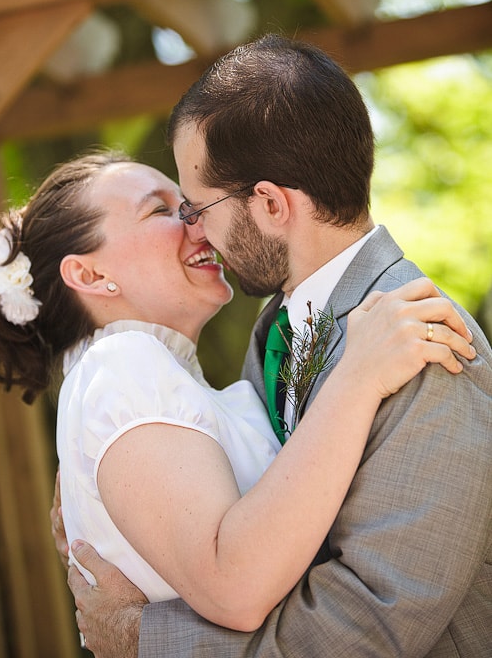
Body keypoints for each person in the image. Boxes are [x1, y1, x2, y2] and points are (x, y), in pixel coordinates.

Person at [56, 36, 492, 658]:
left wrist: (144, 639)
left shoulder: (426, 349)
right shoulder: (276, 331)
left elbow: (370, 627)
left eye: (198, 206)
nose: (194, 229)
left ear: (270, 204)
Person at [0, 153, 473, 636]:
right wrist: (360, 375)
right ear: (91, 274)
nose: (195, 217)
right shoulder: (120, 366)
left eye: (187, 202)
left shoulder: (170, 384)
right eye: (161, 209)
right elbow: (234, 585)